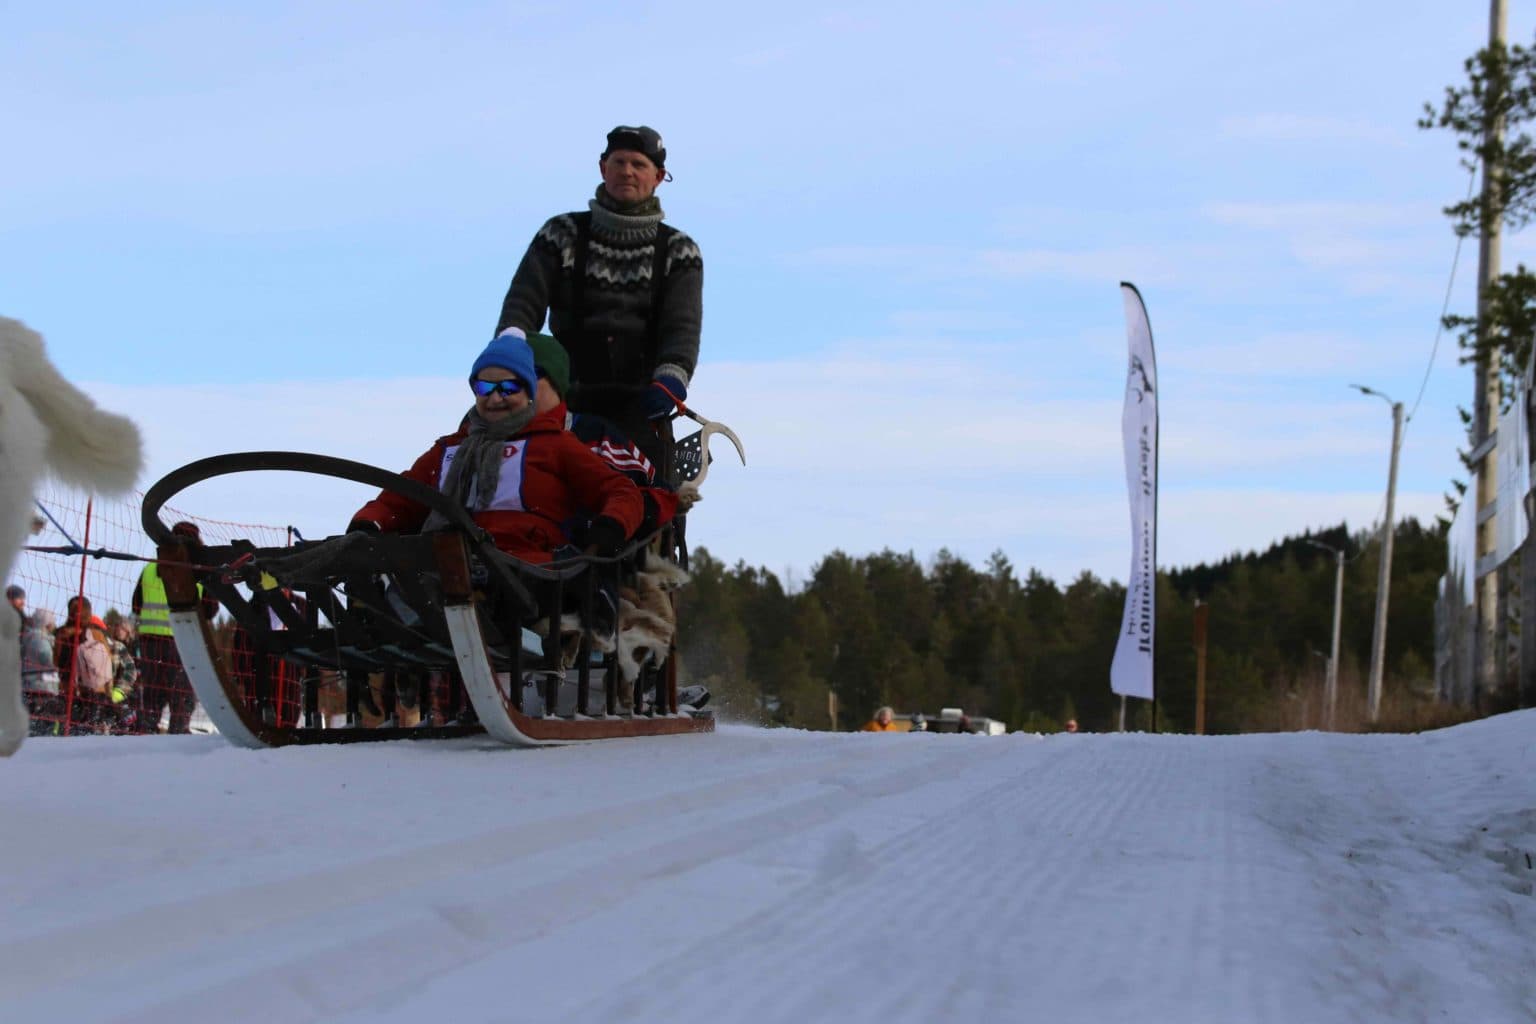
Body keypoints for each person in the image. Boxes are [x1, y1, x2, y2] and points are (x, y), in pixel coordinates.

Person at [494, 125, 703, 466]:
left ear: (659, 176)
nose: (627, 171)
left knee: (645, 497)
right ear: (603, 168)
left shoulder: (680, 251)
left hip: (641, 404)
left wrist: (672, 378)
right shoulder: (560, 234)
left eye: (638, 164)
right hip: (561, 397)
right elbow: (522, 306)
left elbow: (682, 326)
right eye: (619, 162)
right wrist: (508, 360)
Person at [349, 333, 645, 567]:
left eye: (508, 388)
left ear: (528, 391)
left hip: (526, 568)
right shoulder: (450, 449)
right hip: (444, 559)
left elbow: (621, 491)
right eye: (484, 388)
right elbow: (400, 499)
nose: (495, 398)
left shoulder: (554, 444)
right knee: (381, 574)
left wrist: (611, 526)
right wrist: (369, 523)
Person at [134, 520, 214, 734]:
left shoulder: (150, 568)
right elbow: (210, 610)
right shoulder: (199, 570)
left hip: (150, 644)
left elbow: (136, 604)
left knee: (152, 697)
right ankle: (178, 743)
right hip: (184, 643)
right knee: (181, 697)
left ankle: (144, 737)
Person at [54, 595, 114, 733]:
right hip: (97, 690)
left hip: (70, 689)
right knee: (92, 730)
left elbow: (56, 661)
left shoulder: (61, 635)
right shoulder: (97, 634)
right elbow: (108, 660)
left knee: (72, 729)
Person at [19, 607, 60, 734]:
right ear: (47, 623)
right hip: (40, 686)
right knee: (42, 720)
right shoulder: (39, 639)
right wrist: (54, 668)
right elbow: (45, 657)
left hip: (33, 684)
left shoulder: (31, 637)